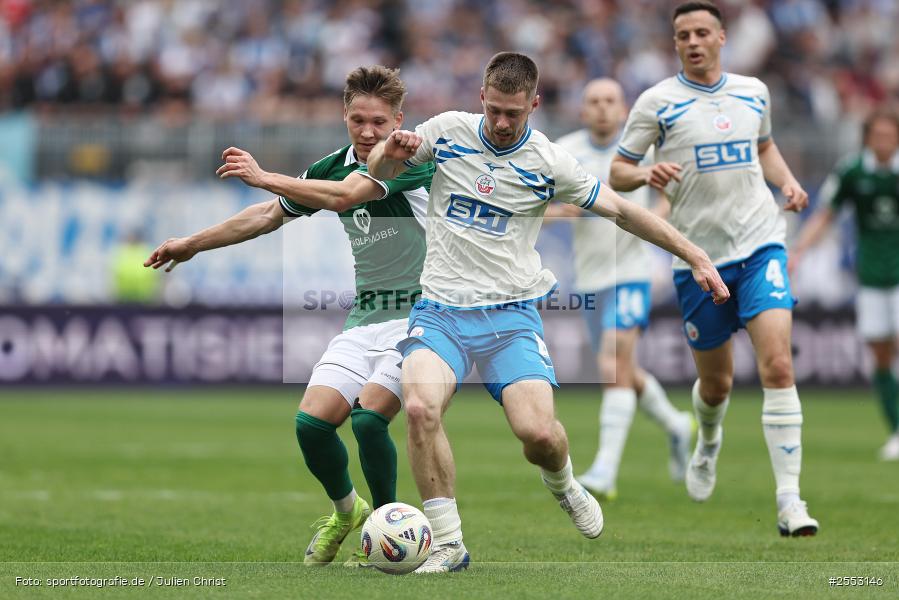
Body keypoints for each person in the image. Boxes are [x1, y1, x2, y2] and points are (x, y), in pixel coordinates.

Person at [367, 51, 729, 573]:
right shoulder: (446, 131)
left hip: (511, 318)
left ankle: (563, 482)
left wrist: (693, 254)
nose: (501, 122)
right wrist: (389, 152)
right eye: (494, 110)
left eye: (514, 113)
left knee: (539, 435)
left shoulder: (549, 161)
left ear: (534, 104)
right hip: (442, 309)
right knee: (421, 408)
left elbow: (624, 211)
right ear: (481, 99)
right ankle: (448, 542)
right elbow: (379, 171)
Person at [144, 65, 434, 566]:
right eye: (358, 120)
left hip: (421, 315)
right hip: (366, 316)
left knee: (367, 421)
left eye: (379, 122)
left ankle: (388, 535)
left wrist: (263, 176)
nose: (368, 132)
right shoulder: (331, 165)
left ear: (398, 120)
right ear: (344, 116)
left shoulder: (411, 157)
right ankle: (348, 513)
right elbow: (267, 215)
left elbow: (347, 195)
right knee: (312, 425)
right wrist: (191, 243)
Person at [610, 1, 819, 536]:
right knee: (717, 385)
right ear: (675, 43)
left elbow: (765, 145)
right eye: (684, 35)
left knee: (777, 366)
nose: (694, 41)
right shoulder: (657, 102)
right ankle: (707, 442)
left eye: (703, 32)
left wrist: (787, 182)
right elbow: (618, 170)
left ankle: (790, 500)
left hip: (761, 243)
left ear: (723, 37)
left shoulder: (753, 91)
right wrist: (646, 172)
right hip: (697, 259)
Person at [551, 78, 694, 500]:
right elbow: (548, 207)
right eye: (592, 101)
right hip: (590, 277)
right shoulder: (565, 151)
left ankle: (605, 471)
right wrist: (563, 212)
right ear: (582, 110)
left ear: (624, 107)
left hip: (632, 272)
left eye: (609, 100)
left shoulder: (642, 150)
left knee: (613, 362)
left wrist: (648, 216)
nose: (601, 108)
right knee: (621, 370)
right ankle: (676, 424)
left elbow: (671, 195)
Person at [790, 107, 899, 461]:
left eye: (889, 135)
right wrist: (799, 251)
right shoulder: (853, 171)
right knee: (880, 353)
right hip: (871, 275)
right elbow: (825, 214)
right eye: (877, 135)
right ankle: (896, 429)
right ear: (867, 138)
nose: (883, 141)